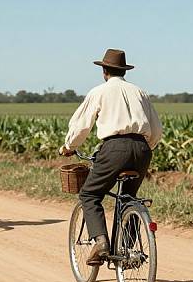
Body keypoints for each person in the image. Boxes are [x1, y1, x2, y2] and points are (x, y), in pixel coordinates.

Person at [59, 49, 162, 265]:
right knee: (129, 198)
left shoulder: (99, 92)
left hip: (114, 148)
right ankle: (126, 250)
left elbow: (81, 126)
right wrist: (144, 147)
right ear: (123, 71)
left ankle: (101, 241)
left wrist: (68, 146)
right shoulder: (140, 92)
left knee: (89, 194)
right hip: (143, 150)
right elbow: (156, 130)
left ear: (104, 70)